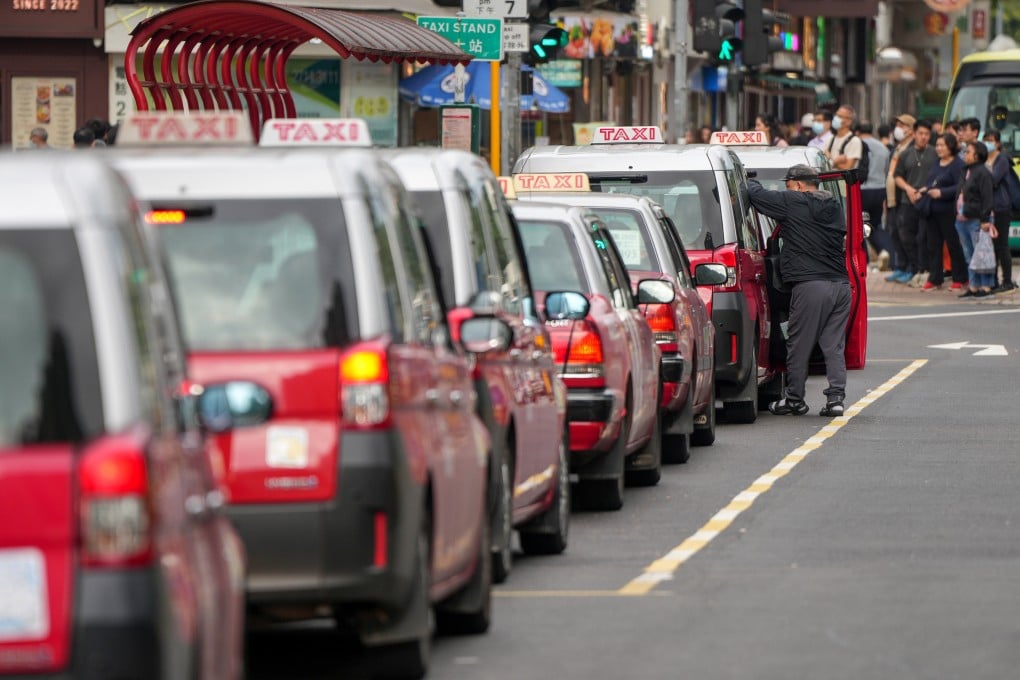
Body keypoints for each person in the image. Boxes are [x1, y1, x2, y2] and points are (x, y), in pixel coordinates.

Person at [746, 165, 851, 418]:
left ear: (799, 185)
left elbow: (756, 194)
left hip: (811, 285)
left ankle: (794, 399)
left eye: (789, 185)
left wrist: (746, 177)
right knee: (834, 345)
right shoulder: (835, 207)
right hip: (841, 285)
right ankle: (836, 399)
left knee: (798, 344)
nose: (787, 189)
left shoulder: (794, 202)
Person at [917, 134, 967, 291]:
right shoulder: (936, 162)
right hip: (932, 210)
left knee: (953, 245)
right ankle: (935, 278)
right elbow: (931, 181)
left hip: (949, 211)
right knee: (933, 246)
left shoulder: (958, 164)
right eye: (937, 145)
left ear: (950, 146)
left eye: (942, 145)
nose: (938, 148)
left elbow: (960, 186)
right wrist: (925, 189)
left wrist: (942, 193)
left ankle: (960, 278)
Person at [892, 119, 936, 285]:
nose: (923, 137)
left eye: (927, 134)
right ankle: (914, 268)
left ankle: (926, 269)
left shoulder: (935, 153)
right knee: (906, 236)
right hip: (907, 200)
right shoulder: (906, 154)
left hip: (927, 201)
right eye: (920, 133)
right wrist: (909, 189)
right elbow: (897, 176)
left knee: (925, 237)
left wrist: (923, 190)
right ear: (914, 134)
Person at [956, 141, 996, 298]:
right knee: (969, 255)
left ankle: (986, 286)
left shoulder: (982, 172)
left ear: (977, 155)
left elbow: (987, 197)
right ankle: (973, 286)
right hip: (962, 218)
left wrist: (985, 219)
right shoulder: (965, 170)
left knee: (982, 254)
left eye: (968, 152)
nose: (965, 154)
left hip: (977, 219)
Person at [983, 129, 1016, 293]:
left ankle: (1007, 281)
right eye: (986, 140)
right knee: (992, 246)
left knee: (1002, 245)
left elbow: (993, 180)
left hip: (1001, 207)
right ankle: (993, 280)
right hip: (988, 207)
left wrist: (983, 172)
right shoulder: (983, 158)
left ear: (997, 143)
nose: (988, 143)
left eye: (991, 140)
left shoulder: (1002, 159)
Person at [885, 114, 917, 282]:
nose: (898, 128)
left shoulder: (913, 149)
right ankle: (901, 266)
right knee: (894, 233)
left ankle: (912, 268)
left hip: (904, 198)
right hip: (891, 198)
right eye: (897, 125)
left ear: (911, 130)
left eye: (903, 125)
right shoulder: (896, 148)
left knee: (906, 234)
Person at [857, 122, 892, 268]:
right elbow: (887, 169)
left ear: (857, 132)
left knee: (858, 225)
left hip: (862, 189)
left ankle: (863, 259)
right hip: (879, 189)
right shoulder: (883, 148)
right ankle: (886, 251)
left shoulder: (857, 144)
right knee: (875, 224)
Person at [824, 104, 863, 171]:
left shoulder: (854, 141)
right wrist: (836, 161)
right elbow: (823, 164)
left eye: (839, 116)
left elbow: (848, 168)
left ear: (849, 121)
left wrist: (830, 160)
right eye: (836, 115)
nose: (835, 118)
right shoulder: (831, 139)